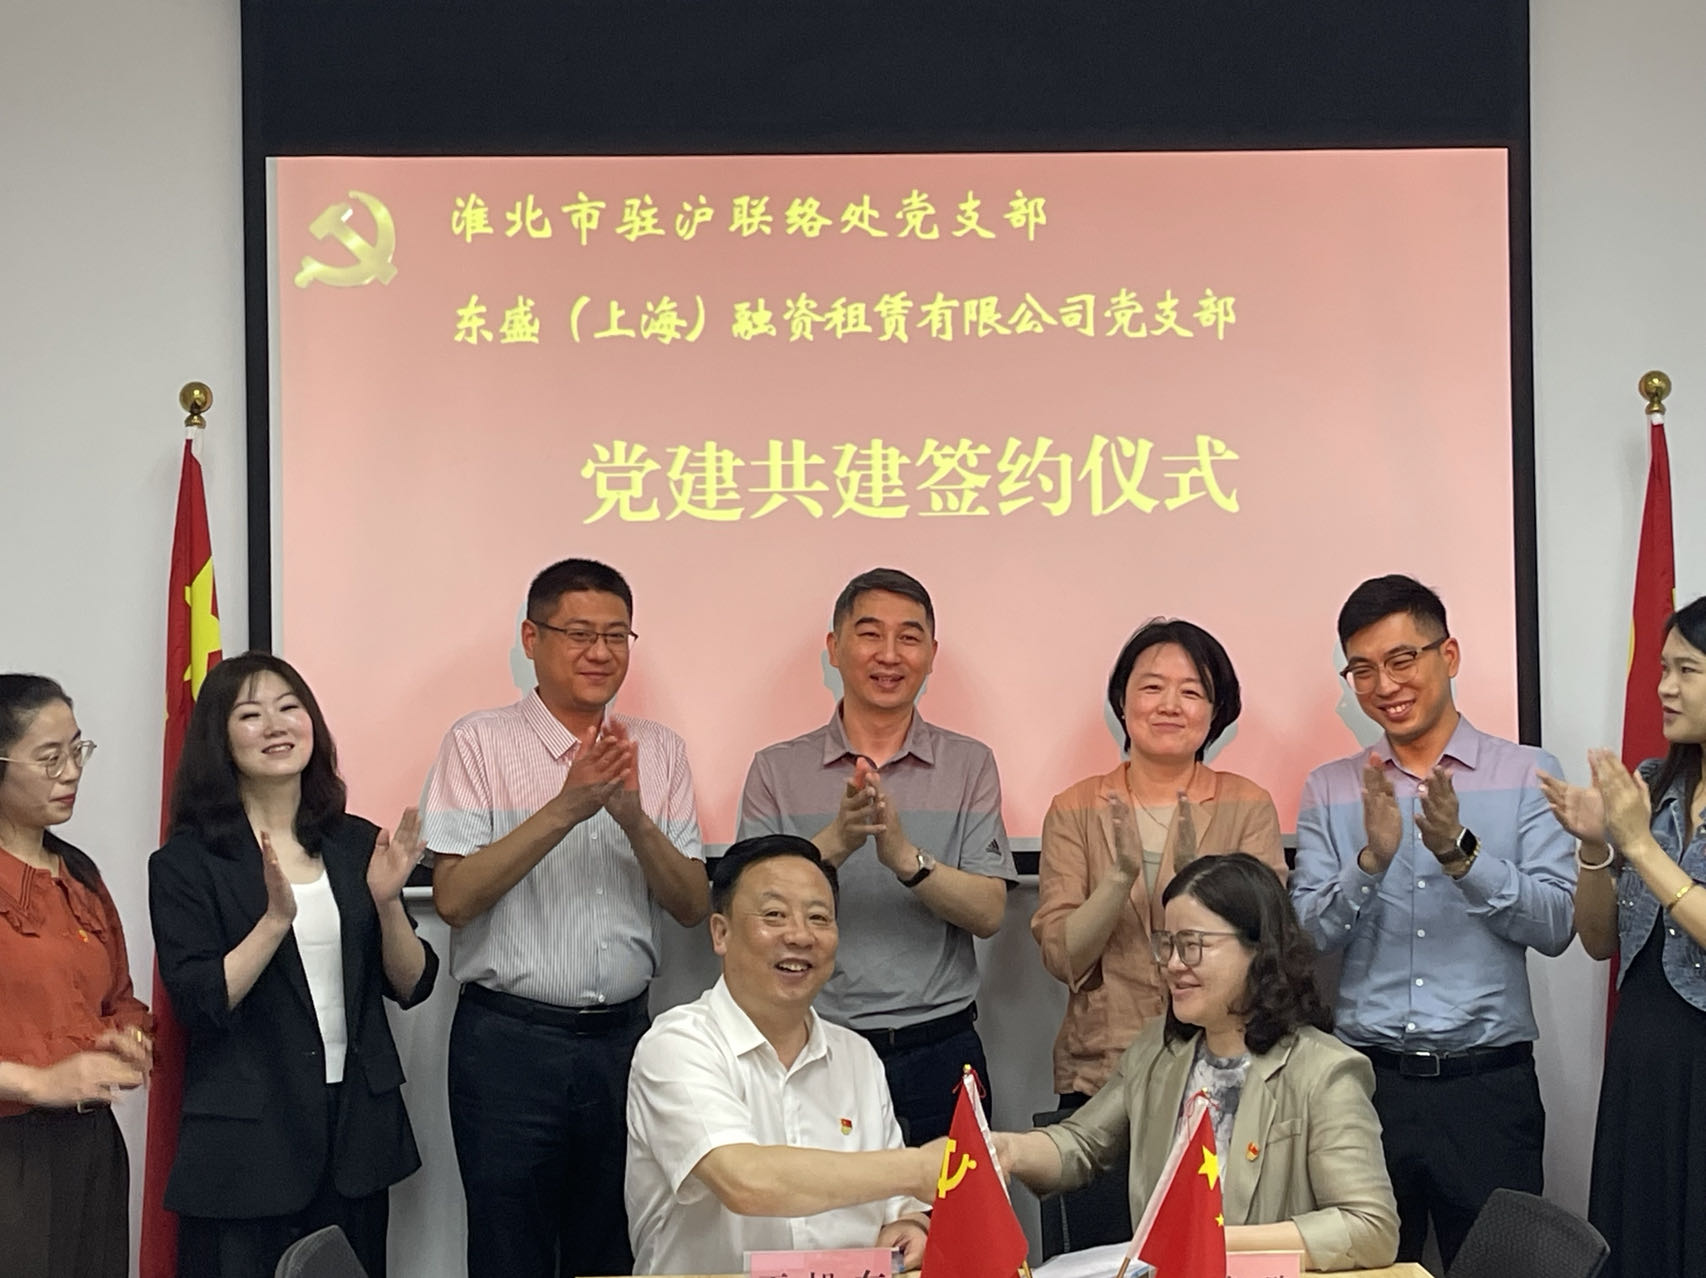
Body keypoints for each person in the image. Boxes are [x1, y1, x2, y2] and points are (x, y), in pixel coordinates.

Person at [422, 557, 707, 1278]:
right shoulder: (478, 743)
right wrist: (567, 808)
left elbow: (691, 905)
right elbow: (453, 899)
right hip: (508, 1045)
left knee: (613, 1249)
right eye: (579, 634)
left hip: (624, 1042)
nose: (600, 653)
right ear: (532, 638)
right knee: (508, 1251)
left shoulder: (659, 751)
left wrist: (634, 818)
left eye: (616, 635)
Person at [1290, 574, 1574, 1269]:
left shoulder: (1528, 774)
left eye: (1401, 660)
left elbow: (1557, 925)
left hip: (1487, 1091)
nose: (1384, 685)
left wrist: (1460, 854)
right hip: (1363, 1090)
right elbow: (1307, 937)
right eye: (1362, 669)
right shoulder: (1331, 787)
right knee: (1363, 1274)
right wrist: (1369, 861)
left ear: (1448, 655)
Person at [148, 652, 437, 1278]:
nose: (276, 725)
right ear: (220, 739)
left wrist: (388, 903)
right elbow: (199, 1002)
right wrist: (275, 922)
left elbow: (412, 984)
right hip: (248, 1145)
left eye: (289, 707)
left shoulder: (356, 842)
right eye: (251, 715)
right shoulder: (186, 864)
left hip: (354, 1133)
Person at [997, 853, 1398, 1271]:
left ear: (1259, 950)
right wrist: (1010, 1150)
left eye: (1192, 946)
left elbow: (1369, 1227)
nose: (1173, 965)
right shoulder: (1160, 1050)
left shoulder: (1324, 1071)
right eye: (1167, 945)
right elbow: (1082, 1144)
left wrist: (1215, 1240)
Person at [737, 567, 1016, 1142]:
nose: (889, 654)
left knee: (950, 1203)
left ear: (931, 655)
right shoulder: (776, 769)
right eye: (869, 634)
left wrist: (906, 858)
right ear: (834, 648)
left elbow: (989, 912)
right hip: (811, 1044)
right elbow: (746, 909)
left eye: (909, 637)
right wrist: (835, 843)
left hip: (939, 1046)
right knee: (818, 1202)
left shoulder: (969, 764)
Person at [626, 834, 940, 1273]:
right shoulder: (678, 1044)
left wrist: (911, 1224)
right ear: (721, 933)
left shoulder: (857, 1056)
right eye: (774, 915)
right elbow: (746, 1181)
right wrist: (918, 1168)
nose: (799, 936)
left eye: (819, 918)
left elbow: (896, 1204)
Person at [1033, 617, 1285, 1106]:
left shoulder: (1247, 804)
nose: (1170, 705)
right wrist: (1119, 879)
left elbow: (1266, 945)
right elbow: (1062, 958)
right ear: (1122, 702)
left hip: (1221, 1067)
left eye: (1191, 692)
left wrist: (1198, 889)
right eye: (1152, 688)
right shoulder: (1075, 807)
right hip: (1103, 1071)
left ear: (1215, 711)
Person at [1539, 595, 1706, 1278]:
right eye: (1663, 668)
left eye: (1687, 670)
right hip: (1645, 1057)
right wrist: (1595, 845)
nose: (1664, 687)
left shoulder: (1642, 818)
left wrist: (1638, 843)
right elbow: (1600, 939)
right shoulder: (1653, 786)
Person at [0, 674, 152, 1278]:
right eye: (49, 758)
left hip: (90, 1143)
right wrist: (38, 1082)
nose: (71, 773)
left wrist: (129, 1041)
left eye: (77, 750)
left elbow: (119, 1000)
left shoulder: (79, 875)